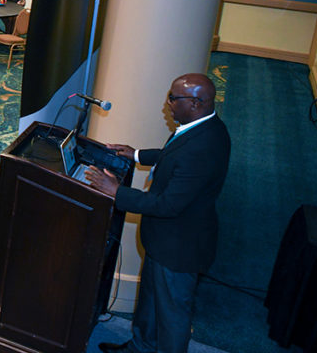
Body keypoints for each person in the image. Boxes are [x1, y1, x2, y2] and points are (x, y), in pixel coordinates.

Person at [87, 74, 231, 353]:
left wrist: (117, 192)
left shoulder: (204, 146)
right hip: (164, 242)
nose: (167, 104)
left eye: (173, 98)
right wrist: (137, 154)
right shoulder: (199, 126)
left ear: (197, 103)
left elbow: (168, 205)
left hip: (179, 248)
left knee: (172, 317)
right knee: (151, 301)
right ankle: (140, 347)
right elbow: (173, 156)